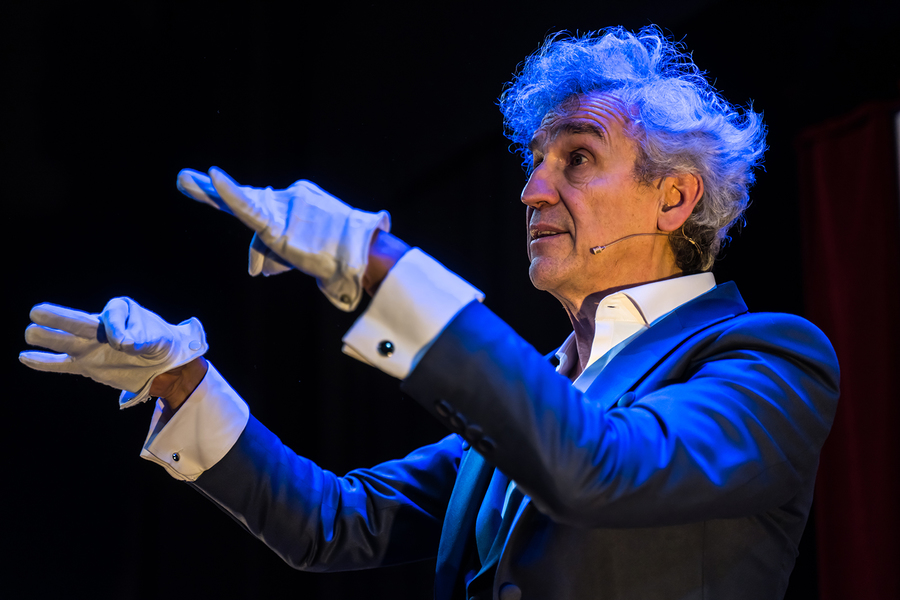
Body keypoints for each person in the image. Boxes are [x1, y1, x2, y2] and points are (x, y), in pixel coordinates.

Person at [19, 26, 839, 600]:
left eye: (578, 159)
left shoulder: (768, 357)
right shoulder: (545, 387)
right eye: (535, 162)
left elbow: (602, 467)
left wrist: (375, 262)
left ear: (674, 198)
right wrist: (182, 382)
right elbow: (333, 524)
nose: (532, 190)